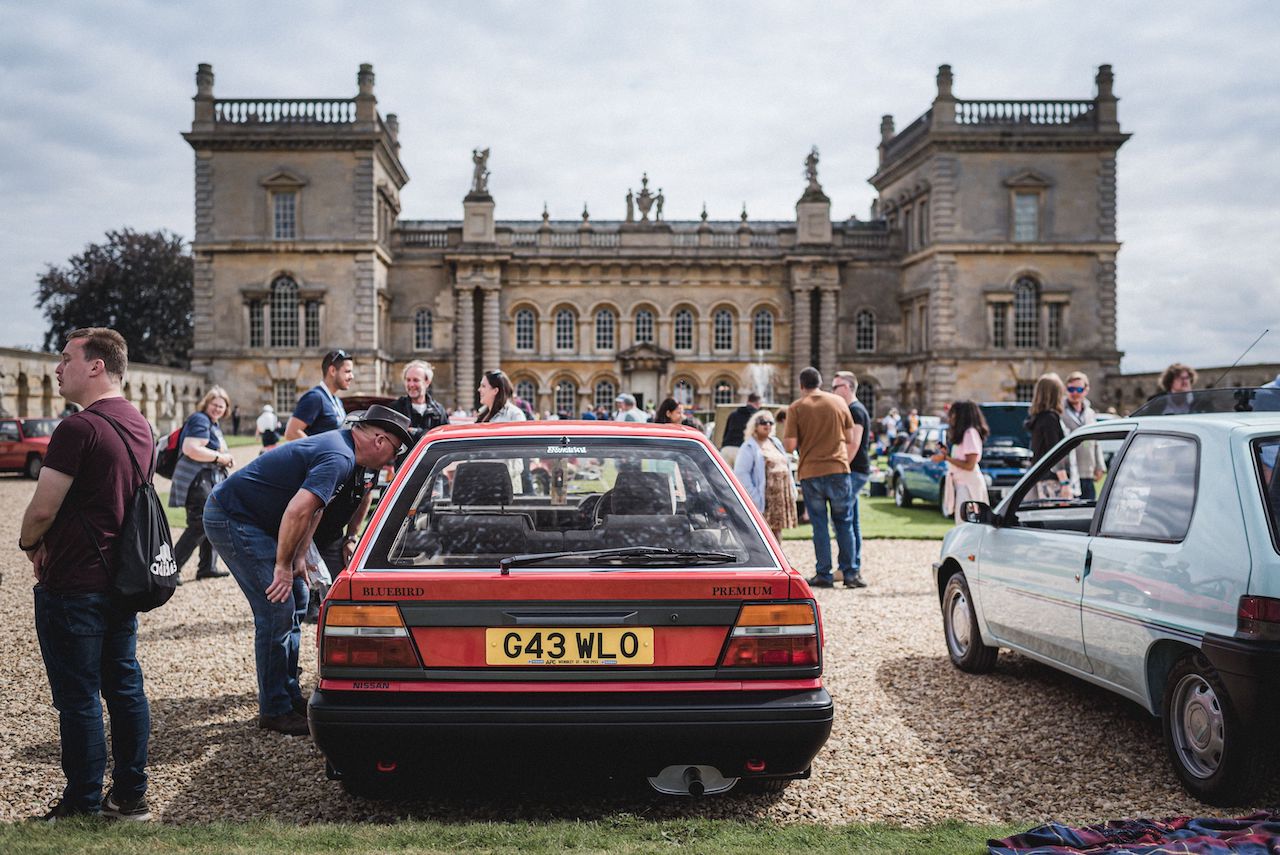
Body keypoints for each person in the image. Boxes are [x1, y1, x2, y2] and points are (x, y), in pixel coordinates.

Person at [203, 405, 411, 735]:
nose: (390, 461)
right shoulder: (338, 456)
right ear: (380, 440)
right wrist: (282, 566)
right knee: (277, 607)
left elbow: (316, 510)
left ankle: (288, 693)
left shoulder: (348, 455)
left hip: (262, 520)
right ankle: (274, 709)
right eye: (394, 452)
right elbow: (297, 511)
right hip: (233, 516)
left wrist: (300, 556)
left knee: (298, 596)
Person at [20, 328, 154, 820]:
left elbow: (40, 511)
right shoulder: (141, 425)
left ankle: (81, 802)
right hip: (123, 579)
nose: (58, 368)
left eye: (66, 358)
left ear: (96, 366)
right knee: (123, 686)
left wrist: (29, 545)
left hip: (75, 580)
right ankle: (130, 795)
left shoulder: (78, 429)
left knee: (77, 699)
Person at [783, 367, 857, 589]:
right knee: (844, 523)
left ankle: (823, 574)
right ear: (821, 382)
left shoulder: (796, 407)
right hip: (838, 468)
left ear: (801, 385)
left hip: (811, 471)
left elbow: (790, 445)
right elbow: (849, 437)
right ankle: (850, 573)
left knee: (820, 525)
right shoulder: (838, 403)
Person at [169, 386, 234, 584]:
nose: (217, 409)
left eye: (221, 406)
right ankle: (171, 569)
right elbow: (191, 448)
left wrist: (223, 459)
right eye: (214, 404)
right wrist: (220, 458)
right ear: (206, 403)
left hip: (207, 479)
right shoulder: (199, 419)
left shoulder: (212, 423)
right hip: (196, 480)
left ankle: (207, 567)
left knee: (211, 519)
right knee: (199, 523)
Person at [830, 371, 872, 585]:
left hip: (853, 470)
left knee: (841, 519)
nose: (833, 391)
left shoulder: (855, 411)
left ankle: (849, 568)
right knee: (851, 521)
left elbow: (853, 445)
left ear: (846, 387)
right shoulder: (853, 409)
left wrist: (840, 468)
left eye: (835, 387)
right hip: (856, 469)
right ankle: (851, 566)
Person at [734, 410, 796, 539]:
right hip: (764, 499)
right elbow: (741, 474)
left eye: (770, 422)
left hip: (779, 499)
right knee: (763, 535)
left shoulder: (776, 442)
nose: (767, 425)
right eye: (763, 422)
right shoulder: (748, 447)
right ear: (755, 425)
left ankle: (778, 558)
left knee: (777, 533)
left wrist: (792, 489)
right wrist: (754, 497)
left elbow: (787, 466)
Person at [931, 401, 990, 522]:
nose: (950, 418)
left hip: (969, 486)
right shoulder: (965, 435)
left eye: (953, 414)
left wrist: (946, 458)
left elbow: (969, 465)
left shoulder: (970, 433)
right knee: (962, 522)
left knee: (966, 523)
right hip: (962, 484)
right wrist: (945, 454)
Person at [284, 349, 352, 440]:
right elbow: (291, 433)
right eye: (347, 371)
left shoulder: (337, 401)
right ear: (332, 371)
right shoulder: (315, 398)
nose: (352, 376)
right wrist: (318, 452)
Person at [1024, 373, 1073, 500]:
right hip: (1052, 480)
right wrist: (1064, 483)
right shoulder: (1050, 418)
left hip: (1040, 477)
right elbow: (1055, 453)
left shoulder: (1038, 418)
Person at [1062, 371, 1106, 500]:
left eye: (1079, 389)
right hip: (1070, 473)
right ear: (1066, 389)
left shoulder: (1090, 413)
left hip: (1088, 471)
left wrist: (1100, 465)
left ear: (1086, 390)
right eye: (1071, 389)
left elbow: (1095, 440)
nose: (1075, 393)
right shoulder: (1061, 412)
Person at [388, 359, 448, 444]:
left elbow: (444, 441)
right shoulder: (395, 409)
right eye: (408, 380)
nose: (411, 385)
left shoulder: (439, 411)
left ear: (427, 382)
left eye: (416, 380)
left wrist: (417, 432)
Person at [721, 392, 762, 458]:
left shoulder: (733, 414)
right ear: (758, 403)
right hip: (742, 449)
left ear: (748, 401)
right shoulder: (757, 416)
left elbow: (726, 433)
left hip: (726, 448)